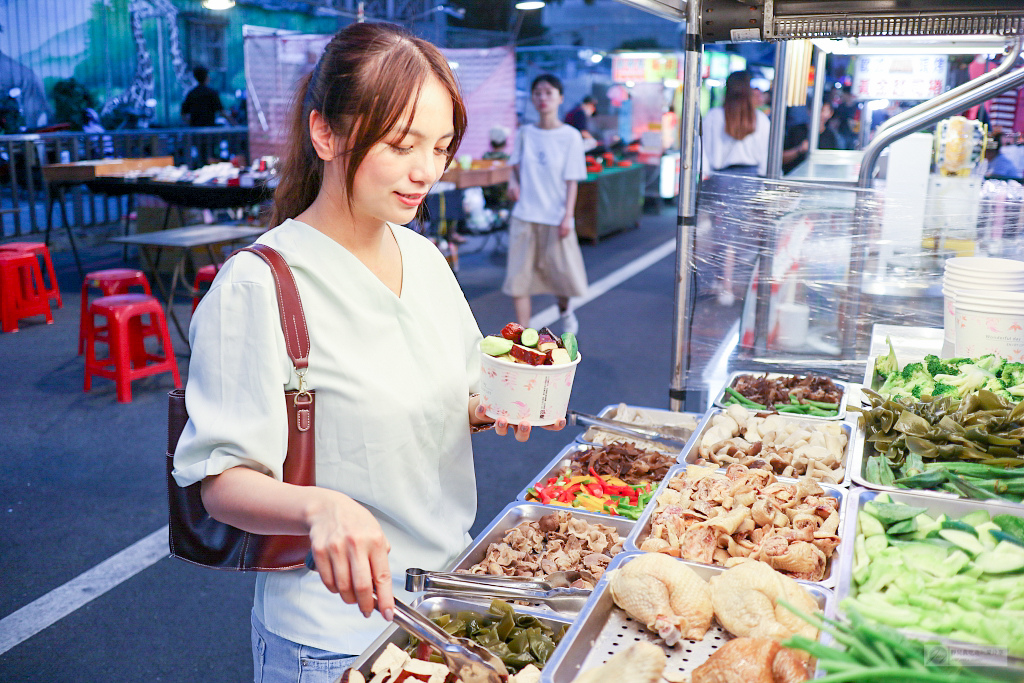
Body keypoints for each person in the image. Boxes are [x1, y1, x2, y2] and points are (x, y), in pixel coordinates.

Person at [172, 22, 561, 683]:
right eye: (402, 143)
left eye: (440, 147)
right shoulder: (262, 283)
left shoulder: (424, 257)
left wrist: (498, 401)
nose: (426, 171)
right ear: (326, 133)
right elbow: (219, 481)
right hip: (332, 637)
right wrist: (318, 506)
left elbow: (454, 393)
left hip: (445, 605)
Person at [504, 74, 589, 334]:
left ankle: (565, 311)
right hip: (525, 215)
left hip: (555, 216)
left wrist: (567, 217)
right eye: (538, 93)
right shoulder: (525, 133)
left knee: (562, 279)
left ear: (560, 98)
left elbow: (572, 180)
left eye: (548, 93)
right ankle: (523, 336)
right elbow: (514, 166)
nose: (542, 98)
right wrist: (512, 184)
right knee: (519, 279)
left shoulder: (571, 136)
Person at [700, 70, 770, 306]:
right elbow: (766, 156)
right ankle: (735, 282)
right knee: (744, 232)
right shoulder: (760, 119)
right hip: (752, 177)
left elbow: (706, 152)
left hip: (723, 178)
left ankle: (725, 284)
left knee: (724, 231)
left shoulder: (714, 116)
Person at [782, 97, 839, 174]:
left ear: (830, 113)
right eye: (815, 109)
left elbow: (834, 163)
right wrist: (799, 149)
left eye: (822, 110)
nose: (819, 114)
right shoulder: (795, 130)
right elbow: (781, 159)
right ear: (809, 111)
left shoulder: (831, 136)